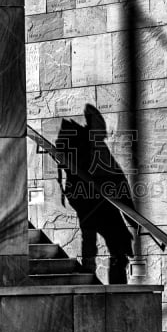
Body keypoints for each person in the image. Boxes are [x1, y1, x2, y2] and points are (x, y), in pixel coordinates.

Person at [55, 105, 135, 284]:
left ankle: (96, 273)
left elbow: (115, 175)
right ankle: (92, 273)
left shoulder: (91, 143)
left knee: (101, 236)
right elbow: (115, 176)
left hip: (95, 197)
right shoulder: (84, 142)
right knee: (95, 233)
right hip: (90, 197)